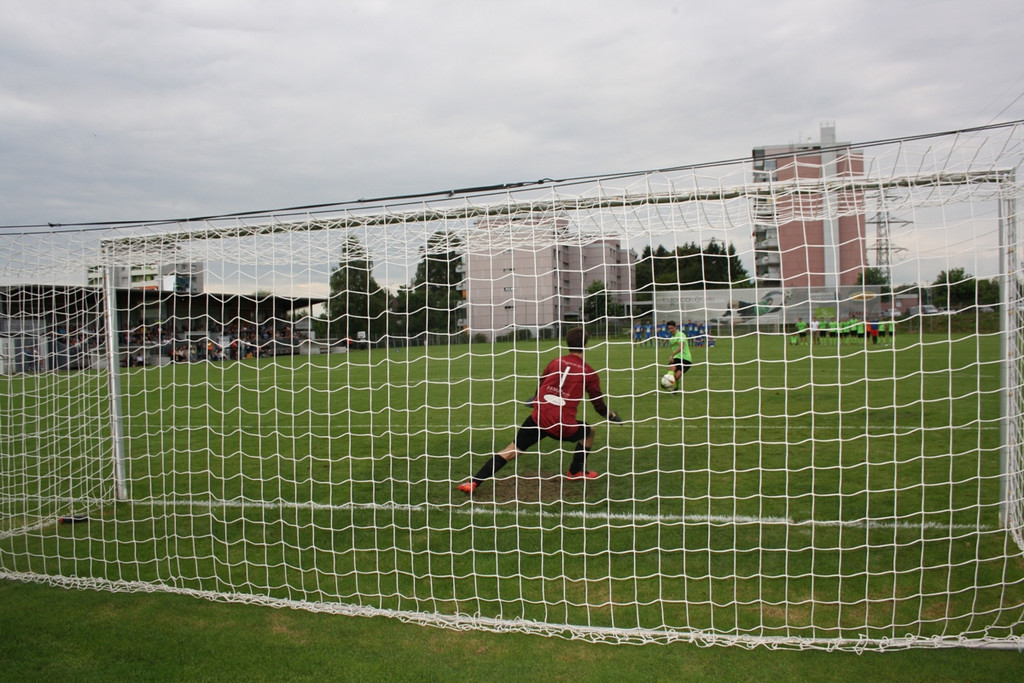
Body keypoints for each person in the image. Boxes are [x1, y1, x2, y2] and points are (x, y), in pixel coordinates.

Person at [457, 326, 621, 494]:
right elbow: (597, 403)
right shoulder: (589, 372)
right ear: (585, 345)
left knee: (512, 450)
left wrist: (536, 398)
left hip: (539, 418)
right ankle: (575, 471)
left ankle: (473, 482)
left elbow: (542, 382)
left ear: (568, 344)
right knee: (590, 431)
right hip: (562, 425)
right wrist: (610, 415)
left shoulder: (555, 362)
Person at [666, 320, 692, 389]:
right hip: (677, 358)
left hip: (685, 358)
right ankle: (667, 384)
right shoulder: (671, 339)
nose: (670, 330)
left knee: (677, 376)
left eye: (672, 328)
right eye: (669, 329)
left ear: (675, 327)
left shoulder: (681, 335)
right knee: (671, 370)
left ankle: (676, 387)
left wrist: (672, 355)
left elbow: (681, 347)